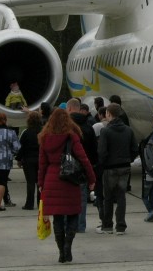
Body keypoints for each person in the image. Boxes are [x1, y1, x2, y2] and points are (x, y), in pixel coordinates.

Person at [38, 107, 96, 263]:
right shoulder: (72, 137)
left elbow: (42, 164)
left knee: (57, 218)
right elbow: (84, 159)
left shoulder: (44, 138)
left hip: (51, 179)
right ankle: (68, 247)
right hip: (70, 180)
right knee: (73, 214)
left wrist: (41, 183)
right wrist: (92, 178)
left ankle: (61, 252)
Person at [97, 103, 137, 235]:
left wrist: (103, 163)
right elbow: (134, 149)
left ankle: (107, 225)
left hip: (110, 167)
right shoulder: (128, 130)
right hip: (124, 166)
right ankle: (121, 226)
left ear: (108, 114)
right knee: (121, 197)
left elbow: (102, 152)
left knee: (108, 197)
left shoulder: (106, 131)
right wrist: (128, 159)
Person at [69, 98, 98, 233]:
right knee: (82, 198)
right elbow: (93, 150)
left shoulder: (66, 127)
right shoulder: (88, 127)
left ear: (69, 109)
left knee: (66, 198)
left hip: (67, 167)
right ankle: (80, 225)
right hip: (84, 167)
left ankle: (67, 225)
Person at [15, 111, 42, 210]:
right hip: (41, 159)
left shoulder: (26, 132)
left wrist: (18, 159)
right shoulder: (44, 131)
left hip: (28, 159)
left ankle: (29, 204)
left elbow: (21, 147)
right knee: (40, 182)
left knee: (30, 182)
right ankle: (41, 203)